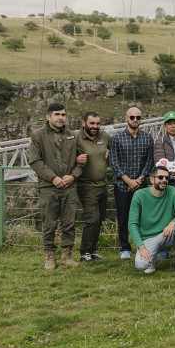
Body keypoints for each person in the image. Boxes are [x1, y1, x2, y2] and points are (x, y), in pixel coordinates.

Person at [28, 103, 84, 270]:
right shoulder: (37, 136)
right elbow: (35, 161)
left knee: (69, 222)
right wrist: (53, 178)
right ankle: (50, 257)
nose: (61, 117)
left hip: (69, 186)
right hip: (48, 187)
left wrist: (72, 176)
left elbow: (82, 160)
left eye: (64, 114)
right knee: (49, 223)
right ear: (48, 116)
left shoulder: (73, 135)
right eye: (57, 114)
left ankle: (67, 256)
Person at [128, 164, 175, 275]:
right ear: (152, 179)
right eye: (161, 177)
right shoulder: (139, 195)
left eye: (167, 178)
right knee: (141, 265)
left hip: (166, 234)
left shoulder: (172, 191)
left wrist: (173, 223)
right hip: (148, 239)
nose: (164, 180)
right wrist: (141, 246)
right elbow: (132, 224)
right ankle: (151, 260)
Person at [109, 106, 154, 260]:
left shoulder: (148, 138)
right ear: (125, 118)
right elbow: (114, 162)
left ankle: (142, 246)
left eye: (138, 117)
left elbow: (149, 162)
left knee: (143, 217)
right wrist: (128, 180)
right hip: (122, 185)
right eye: (132, 117)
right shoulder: (116, 138)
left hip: (141, 185)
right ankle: (125, 247)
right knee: (123, 217)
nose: (135, 120)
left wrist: (140, 179)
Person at [75, 111, 110, 263]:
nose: (95, 126)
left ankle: (93, 250)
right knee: (92, 219)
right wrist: (76, 159)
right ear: (84, 123)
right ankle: (84, 253)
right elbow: (64, 157)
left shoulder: (104, 137)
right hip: (86, 186)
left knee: (100, 218)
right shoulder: (76, 139)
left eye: (97, 123)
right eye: (92, 123)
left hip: (103, 185)